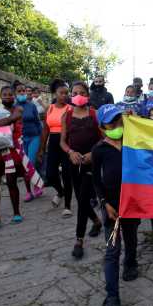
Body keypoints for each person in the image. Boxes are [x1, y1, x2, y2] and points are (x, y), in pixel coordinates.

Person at [92, 104, 140, 306]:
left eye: (118, 120)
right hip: (112, 207)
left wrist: (135, 118)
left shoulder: (133, 142)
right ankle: (112, 297)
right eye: (111, 122)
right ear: (102, 127)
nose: (117, 124)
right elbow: (96, 180)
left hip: (133, 202)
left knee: (131, 236)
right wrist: (105, 203)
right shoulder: (99, 150)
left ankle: (131, 262)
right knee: (112, 250)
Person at [0, 85, 42, 231]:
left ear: (14, 96)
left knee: (11, 182)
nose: (7, 96)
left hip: (11, 150)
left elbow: (8, 121)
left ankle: (16, 213)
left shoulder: (18, 109)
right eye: (4, 94)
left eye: (9, 94)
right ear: (0, 97)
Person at [60, 81, 103, 259]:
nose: (78, 95)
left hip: (91, 162)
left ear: (87, 95)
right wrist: (70, 152)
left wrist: (93, 154)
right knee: (81, 199)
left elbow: (104, 138)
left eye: (82, 92)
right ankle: (96, 220)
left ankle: (79, 240)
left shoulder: (95, 114)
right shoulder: (66, 116)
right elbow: (62, 141)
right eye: (74, 92)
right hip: (73, 162)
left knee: (84, 198)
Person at [37, 79, 73, 217]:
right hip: (53, 142)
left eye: (66, 93)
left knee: (66, 174)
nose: (65, 95)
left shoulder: (70, 109)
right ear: (54, 94)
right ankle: (61, 192)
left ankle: (68, 206)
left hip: (66, 142)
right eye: (61, 93)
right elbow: (45, 130)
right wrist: (41, 149)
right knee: (50, 174)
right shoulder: (50, 108)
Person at [13, 80, 43, 201]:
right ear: (15, 93)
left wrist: (42, 140)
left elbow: (38, 122)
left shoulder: (32, 106)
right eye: (19, 91)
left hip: (34, 137)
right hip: (20, 139)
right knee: (24, 166)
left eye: (23, 91)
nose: (22, 93)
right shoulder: (13, 107)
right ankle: (28, 191)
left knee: (30, 162)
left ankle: (37, 186)